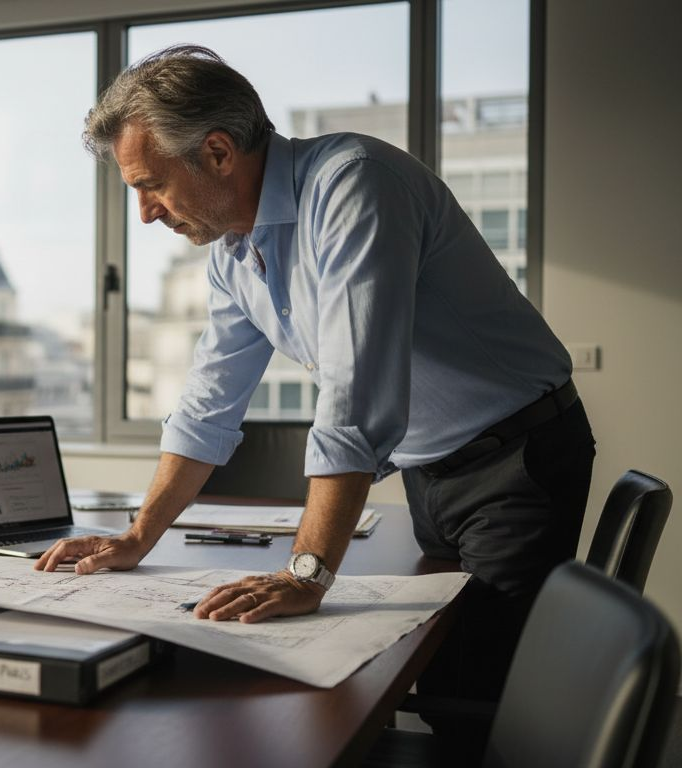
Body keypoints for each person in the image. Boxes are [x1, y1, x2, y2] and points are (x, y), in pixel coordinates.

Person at [33, 44, 594, 754]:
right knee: (443, 670)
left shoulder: (354, 186)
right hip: (433, 470)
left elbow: (354, 395)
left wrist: (307, 572)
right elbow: (209, 401)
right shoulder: (235, 252)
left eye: (149, 185)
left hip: (516, 459)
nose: (144, 214)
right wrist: (138, 537)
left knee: (480, 700)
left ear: (217, 152)